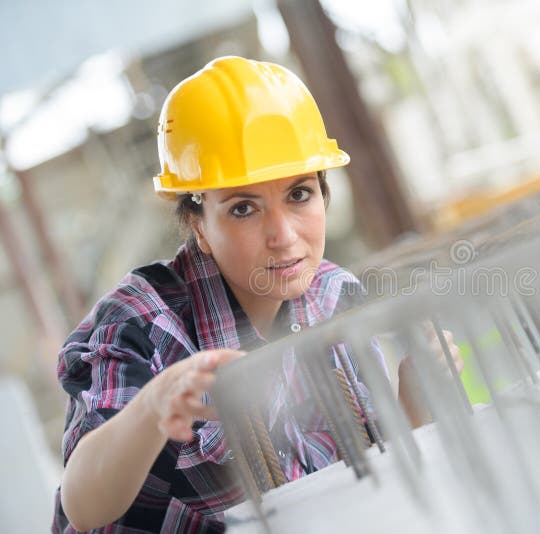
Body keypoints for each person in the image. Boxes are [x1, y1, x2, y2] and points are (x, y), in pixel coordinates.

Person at [52, 56, 462, 533]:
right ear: (197, 223)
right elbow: (83, 508)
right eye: (243, 207)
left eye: (299, 194)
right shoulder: (141, 325)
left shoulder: (334, 298)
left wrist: (415, 407)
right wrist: (150, 407)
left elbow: (367, 492)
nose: (283, 235)